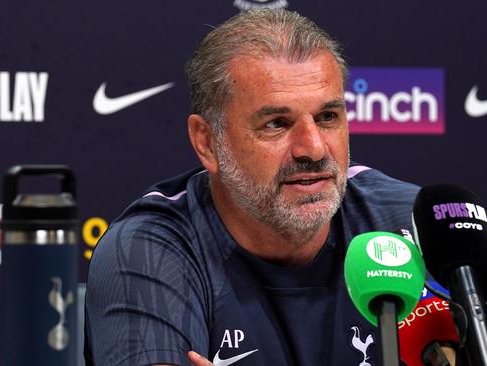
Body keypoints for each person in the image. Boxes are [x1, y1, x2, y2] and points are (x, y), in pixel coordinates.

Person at [84, 9, 457, 366]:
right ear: (207, 142)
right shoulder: (149, 249)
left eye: (328, 117)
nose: (312, 148)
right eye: (277, 123)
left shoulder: (415, 223)